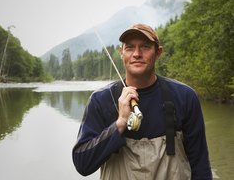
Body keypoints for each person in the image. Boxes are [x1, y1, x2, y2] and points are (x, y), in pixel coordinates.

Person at [72, 23, 212, 179]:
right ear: (121, 53)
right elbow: (82, 164)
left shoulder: (185, 97)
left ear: (158, 52)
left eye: (145, 47)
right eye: (130, 47)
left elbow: (201, 167)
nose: (137, 54)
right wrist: (120, 123)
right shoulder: (100, 100)